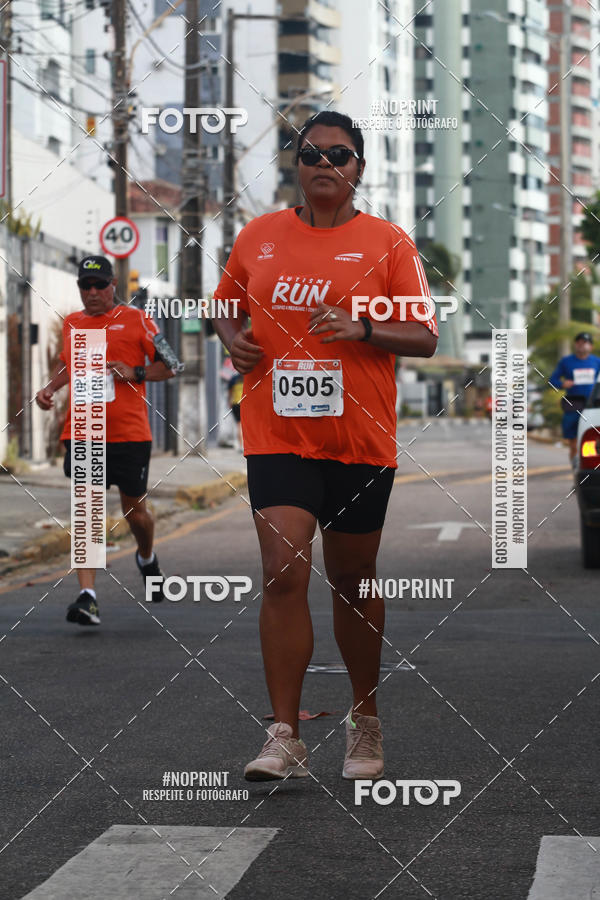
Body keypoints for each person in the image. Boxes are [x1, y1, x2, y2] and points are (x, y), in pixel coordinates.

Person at [212, 111, 438, 782]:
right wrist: (232, 339)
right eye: (311, 152)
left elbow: (425, 336)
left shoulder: (390, 244)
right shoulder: (259, 236)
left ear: (359, 169)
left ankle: (363, 720)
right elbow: (223, 303)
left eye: (339, 154)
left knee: (352, 581)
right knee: (283, 572)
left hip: (360, 439)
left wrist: (362, 327)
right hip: (277, 433)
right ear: (296, 164)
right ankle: (283, 734)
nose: (324, 163)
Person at [35, 255, 175, 626]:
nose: (93, 292)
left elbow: (173, 363)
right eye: (86, 286)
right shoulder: (72, 323)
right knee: (88, 512)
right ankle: (88, 597)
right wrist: (50, 388)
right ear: (79, 288)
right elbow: (68, 363)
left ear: (114, 285)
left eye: (100, 285)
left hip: (130, 435)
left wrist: (137, 371)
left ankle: (146, 557)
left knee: (135, 512)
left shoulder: (138, 320)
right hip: (83, 431)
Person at [549, 332, 600, 463]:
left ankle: (589, 466)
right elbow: (552, 381)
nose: (582, 345)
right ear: (575, 344)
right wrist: (562, 383)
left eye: (585, 342)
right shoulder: (566, 362)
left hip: (592, 404)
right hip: (573, 403)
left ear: (591, 346)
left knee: (592, 438)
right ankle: (576, 467)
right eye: (579, 342)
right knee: (573, 442)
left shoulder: (597, 362)